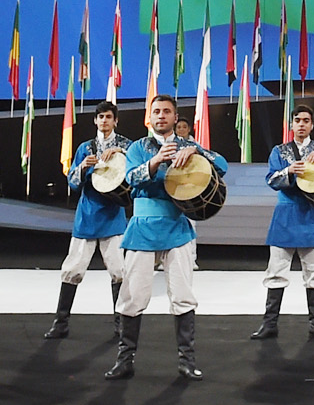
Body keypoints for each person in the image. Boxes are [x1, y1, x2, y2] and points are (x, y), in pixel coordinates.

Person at [110, 94, 228, 380]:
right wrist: (156, 162)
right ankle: (125, 360)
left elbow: (222, 164)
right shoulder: (138, 147)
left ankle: (186, 361)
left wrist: (199, 154)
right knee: (132, 297)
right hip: (142, 228)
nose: (161, 116)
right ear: (149, 118)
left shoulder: (189, 145)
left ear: (176, 118)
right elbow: (130, 178)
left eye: (167, 112)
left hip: (177, 228)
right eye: (156, 112)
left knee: (183, 296)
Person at [259, 105, 314, 341]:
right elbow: (270, 179)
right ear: (291, 124)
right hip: (285, 216)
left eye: (306, 120)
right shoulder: (279, 151)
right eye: (297, 120)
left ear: (312, 125)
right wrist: (289, 170)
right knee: (276, 272)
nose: (301, 124)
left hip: (311, 216)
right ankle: (269, 324)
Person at [48, 100, 130, 339]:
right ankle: (61, 322)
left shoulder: (126, 144)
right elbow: (73, 183)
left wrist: (121, 153)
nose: (104, 121)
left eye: (108, 117)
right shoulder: (85, 148)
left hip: (113, 215)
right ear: (95, 120)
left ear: (115, 120)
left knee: (119, 270)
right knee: (72, 268)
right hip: (87, 215)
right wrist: (83, 166)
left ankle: (121, 324)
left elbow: (136, 171)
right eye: (100, 117)